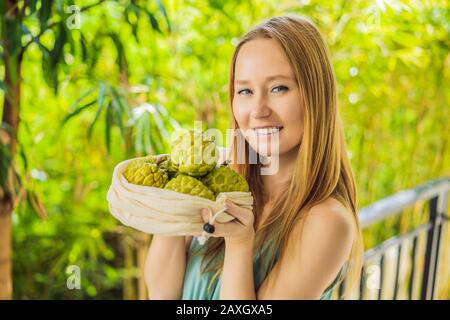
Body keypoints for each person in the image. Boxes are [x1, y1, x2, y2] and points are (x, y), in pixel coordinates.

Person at [145, 15, 364, 300]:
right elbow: (162, 294)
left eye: (279, 88)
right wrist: (177, 194)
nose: (258, 110)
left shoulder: (327, 221)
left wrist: (239, 243)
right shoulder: (220, 179)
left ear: (315, 95)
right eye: (245, 91)